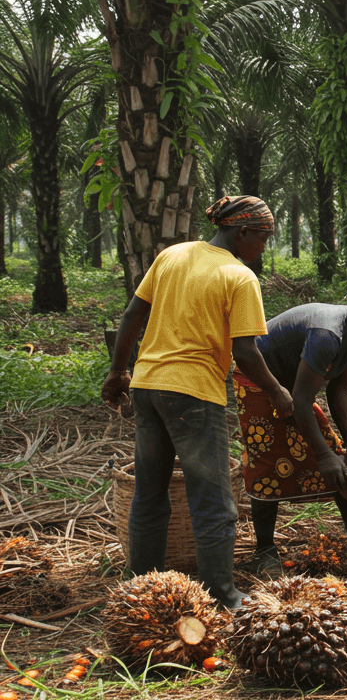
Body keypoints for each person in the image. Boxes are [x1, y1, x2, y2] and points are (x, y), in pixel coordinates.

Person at [101, 196, 292, 610]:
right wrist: (277, 390)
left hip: (147, 386)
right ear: (242, 231)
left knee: (149, 495)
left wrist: (117, 371)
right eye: (263, 238)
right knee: (214, 501)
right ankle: (222, 594)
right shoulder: (239, 277)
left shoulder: (173, 255)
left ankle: (142, 589)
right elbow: (245, 352)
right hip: (192, 393)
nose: (264, 247)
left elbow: (132, 315)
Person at [237, 277, 347, 574]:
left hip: (292, 388)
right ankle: (264, 550)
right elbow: (302, 401)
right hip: (259, 382)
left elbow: (339, 390)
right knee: (268, 461)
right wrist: (324, 456)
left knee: (338, 455)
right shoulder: (328, 335)